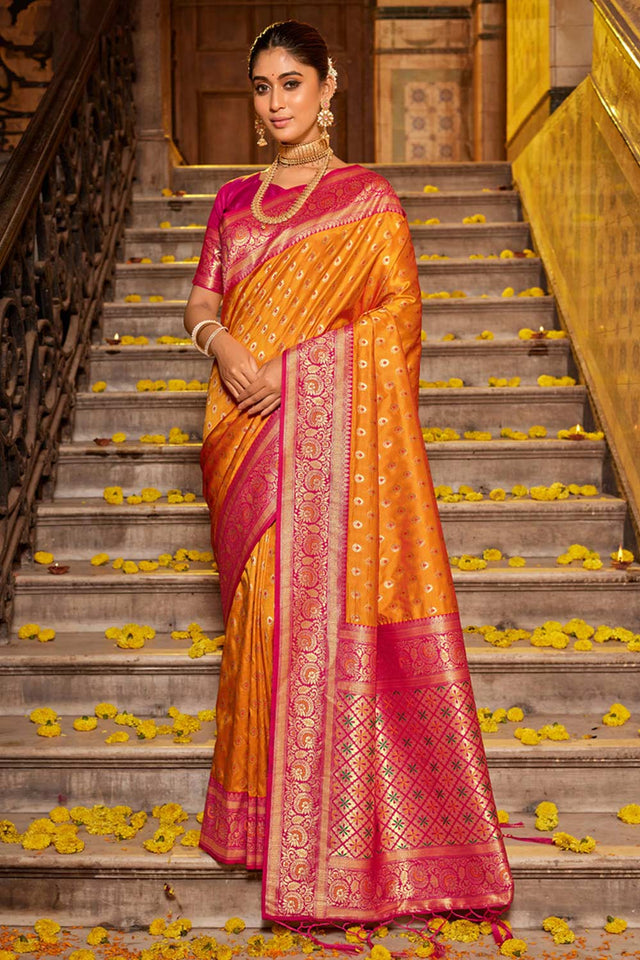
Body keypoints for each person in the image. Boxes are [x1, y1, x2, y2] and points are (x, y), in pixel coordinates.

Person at [184, 19, 513, 936]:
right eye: (262, 86)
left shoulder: (368, 201)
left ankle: (328, 826)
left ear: (331, 87)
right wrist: (223, 345)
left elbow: (398, 319)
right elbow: (201, 300)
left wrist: (298, 371)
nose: (276, 101)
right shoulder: (232, 202)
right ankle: (258, 824)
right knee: (258, 613)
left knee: (308, 613)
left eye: (293, 83)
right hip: (240, 429)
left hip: (318, 430)